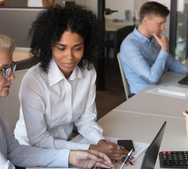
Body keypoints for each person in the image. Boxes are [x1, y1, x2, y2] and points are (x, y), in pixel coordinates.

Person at [0, 28, 114, 169]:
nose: (12, 77)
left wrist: (71, 157)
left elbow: (15, 151)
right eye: (4, 70)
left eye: (11, 67)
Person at [14, 5, 133, 165]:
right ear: (49, 46)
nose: (69, 57)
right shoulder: (35, 81)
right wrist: (90, 148)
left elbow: (86, 120)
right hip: (34, 154)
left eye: (77, 48)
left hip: (69, 146)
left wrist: (100, 142)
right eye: (61, 48)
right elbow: (39, 140)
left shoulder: (88, 71)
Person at [120, 1, 188, 97]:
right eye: (160, 23)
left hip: (159, 89)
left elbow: (171, 62)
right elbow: (151, 79)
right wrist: (164, 49)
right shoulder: (130, 45)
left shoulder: (154, 39)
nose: (163, 28)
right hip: (142, 97)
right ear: (145, 21)